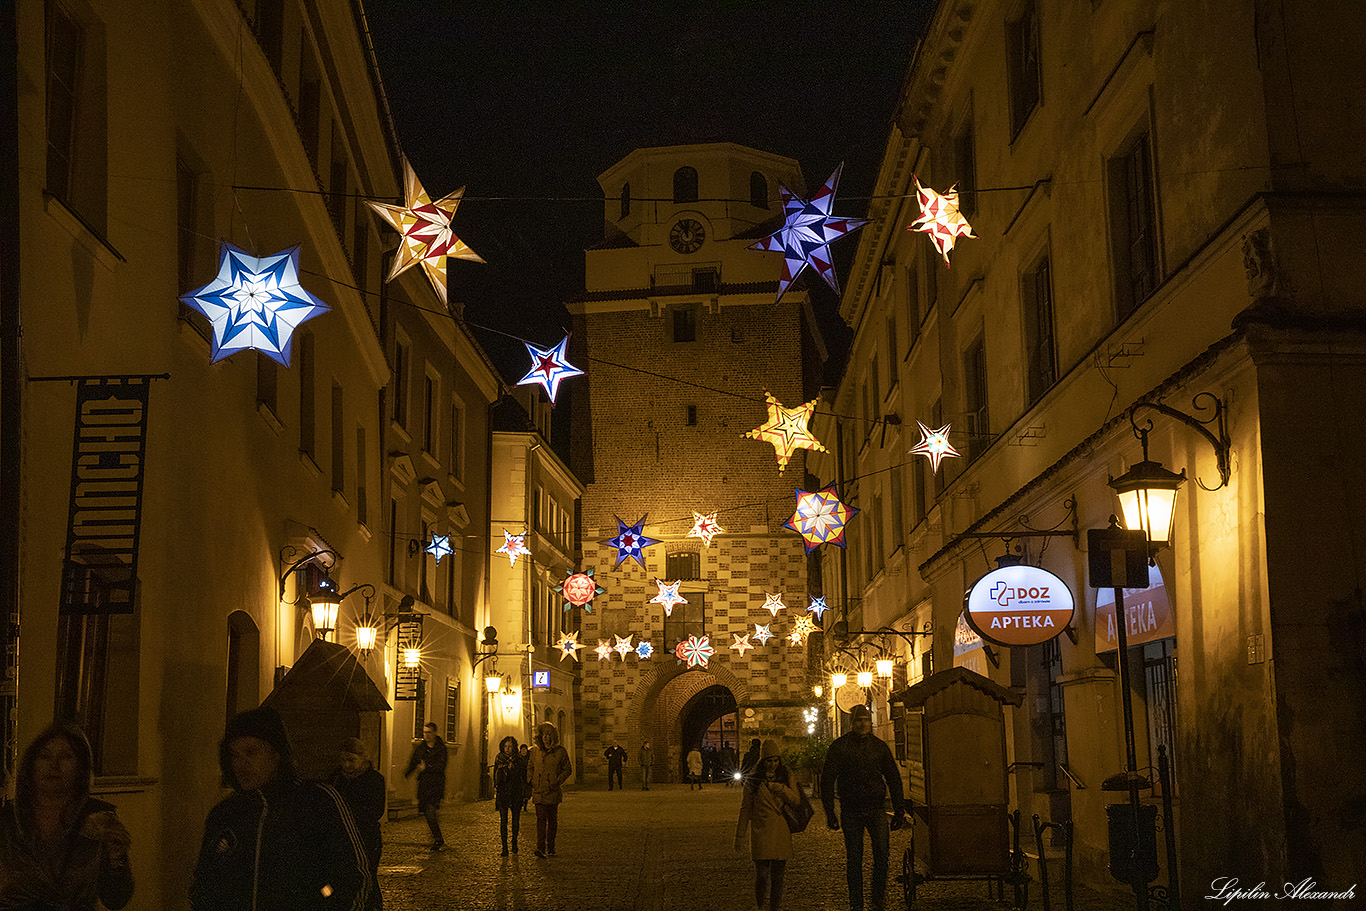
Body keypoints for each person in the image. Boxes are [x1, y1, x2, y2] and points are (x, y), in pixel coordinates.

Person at [190, 706, 373, 910]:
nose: (242, 764)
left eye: (251, 752)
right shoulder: (226, 814)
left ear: (276, 753)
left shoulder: (316, 802)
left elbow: (354, 876)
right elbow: (205, 884)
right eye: (234, 755)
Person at [0, 722, 133, 910]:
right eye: (45, 756)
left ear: (80, 766)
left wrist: (115, 860)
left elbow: (116, 898)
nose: (54, 765)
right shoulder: (7, 821)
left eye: (66, 757)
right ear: (31, 764)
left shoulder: (99, 818)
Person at [820, 704, 906, 911]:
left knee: (882, 856)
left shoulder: (879, 747)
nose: (862, 724)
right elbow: (827, 780)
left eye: (865, 720)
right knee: (854, 859)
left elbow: (893, 778)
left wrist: (899, 810)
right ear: (853, 723)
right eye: (859, 720)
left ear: (870, 722)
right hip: (852, 809)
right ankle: (856, 903)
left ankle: (877, 899)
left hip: (876, 808)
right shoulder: (840, 747)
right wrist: (830, 812)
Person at [734, 739, 801, 911]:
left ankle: (774, 908)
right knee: (762, 875)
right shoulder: (753, 780)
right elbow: (746, 808)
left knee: (778, 876)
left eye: (775, 760)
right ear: (763, 761)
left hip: (780, 830)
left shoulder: (786, 777)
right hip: (761, 830)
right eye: (769, 760)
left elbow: (796, 800)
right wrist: (740, 835)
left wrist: (780, 788)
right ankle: (761, 905)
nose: (773, 764)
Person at [329, 737, 386, 910]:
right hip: (342, 840)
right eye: (343, 760)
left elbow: (375, 810)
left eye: (351, 760)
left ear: (362, 758)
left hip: (366, 838)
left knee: (367, 878)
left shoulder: (374, 779)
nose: (346, 765)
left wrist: (347, 813)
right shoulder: (336, 779)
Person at [528, 721, 572, 857]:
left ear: (553, 736)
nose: (545, 737)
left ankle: (551, 846)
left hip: (552, 791)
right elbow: (530, 767)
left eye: (548, 734)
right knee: (540, 819)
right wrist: (531, 780)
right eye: (543, 734)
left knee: (552, 820)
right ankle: (540, 847)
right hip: (539, 791)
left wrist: (557, 781)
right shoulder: (535, 752)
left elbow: (567, 769)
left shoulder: (560, 752)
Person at [404, 722, 448, 851]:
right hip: (423, 785)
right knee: (428, 812)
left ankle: (438, 839)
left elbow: (441, 765)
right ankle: (437, 837)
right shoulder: (421, 748)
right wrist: (407, 773)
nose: (427, 735)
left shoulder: (441, 748)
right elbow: (414, 761)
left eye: (429, 732)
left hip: (436, 785)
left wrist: (426, 767)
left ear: (434, 733)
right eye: (425, 733)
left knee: (430, 811)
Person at [493, 735, 527, 856]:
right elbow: (495, 776)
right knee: (503, 821)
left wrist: (513, 769)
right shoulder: (499, 759)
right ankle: (504, 847)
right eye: (506, 746)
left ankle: (514, 842)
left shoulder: (519, 760)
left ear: (514, 747)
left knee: (515, 821)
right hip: (503, 794)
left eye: (510, 746)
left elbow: (523, 776)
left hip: (515, 793)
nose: (507, 749)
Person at [518, 744, 533, 811]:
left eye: (524, 750)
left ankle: (525, 805)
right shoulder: (518, 757)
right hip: (520, 777)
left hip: (527, 777)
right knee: (521, 792)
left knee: (527, 792)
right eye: (522, 750)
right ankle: (521, 804)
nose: (523, 751)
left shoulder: (530, 757)